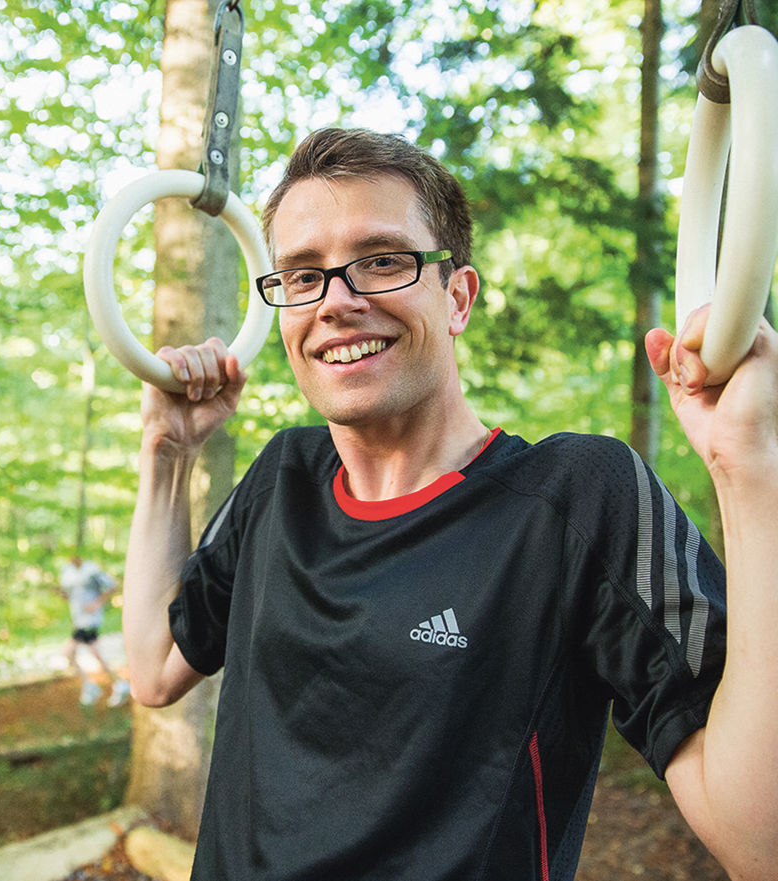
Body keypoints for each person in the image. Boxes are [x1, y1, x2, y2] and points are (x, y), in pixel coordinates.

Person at [122, 128, 778, 880]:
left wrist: (750, 470)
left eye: (381, 261)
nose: (337, 301)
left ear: (457, 297)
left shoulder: (573, 501)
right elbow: (154, 666)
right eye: (303, 276)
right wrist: (165, 455)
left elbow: (759, 843)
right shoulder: (282, 480)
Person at [59, 556, 130, 707]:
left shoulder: (92, 571)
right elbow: (70, 597)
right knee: (93, 655)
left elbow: (113, 587)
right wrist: (61, 594)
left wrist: (96, 604)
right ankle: (115, 684)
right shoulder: (68, 573)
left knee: (69, 652)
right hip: (79, 620)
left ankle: (97, 685)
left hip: (89, 620)